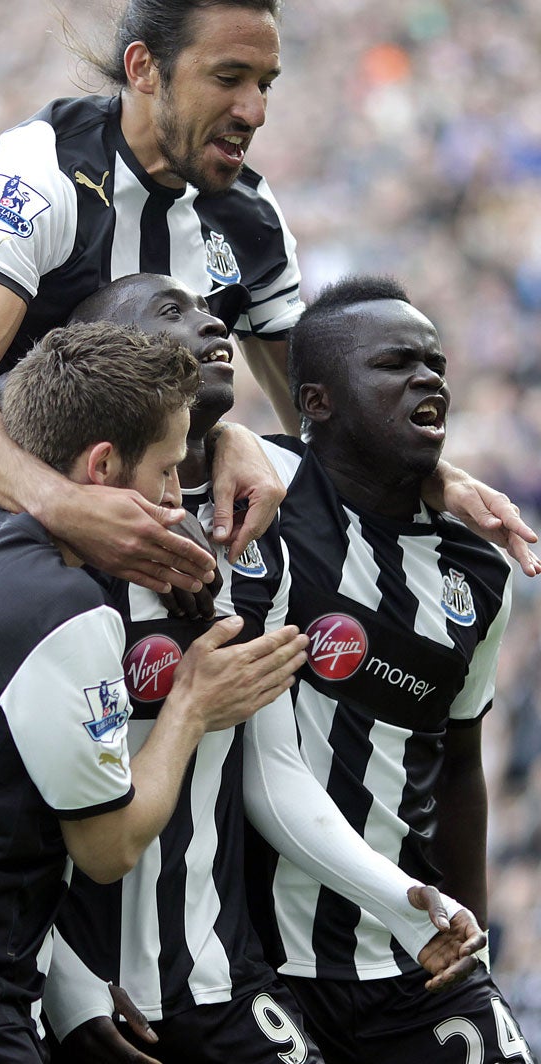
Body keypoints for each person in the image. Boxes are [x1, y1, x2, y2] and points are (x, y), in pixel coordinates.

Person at [0, 0, 537, 974]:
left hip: (58, 573)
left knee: (63, 856)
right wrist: (65, 501)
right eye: (229, 77)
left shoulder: (248, 224)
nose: (255, 106)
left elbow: (306, 404)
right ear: (143, 68)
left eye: (267, 83)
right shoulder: (40, 176)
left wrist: (433, 478)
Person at [0, 320, 309, 1064]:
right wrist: (191, 707)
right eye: (169, 470)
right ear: (103, 463)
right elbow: (108, 845)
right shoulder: (60, 612)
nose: (178, 499)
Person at [37, 274, 489, 1064]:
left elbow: (272, 778)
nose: (214, 319)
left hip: (227, 983)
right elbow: (5, 808)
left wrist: (414, 907)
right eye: (171, 312)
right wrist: (66, 981)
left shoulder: (247, 542)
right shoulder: (36, 565)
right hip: (86, 990)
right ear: (103, 361)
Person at [241, 276, 537, 1063]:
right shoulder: (260, 492)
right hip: (255, 955)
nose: (429, 377)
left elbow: (460, 762)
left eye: (435, 362)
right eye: (396, 363)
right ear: (318, 400)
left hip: (406, 955)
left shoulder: (480, 568)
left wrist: (468, 932)